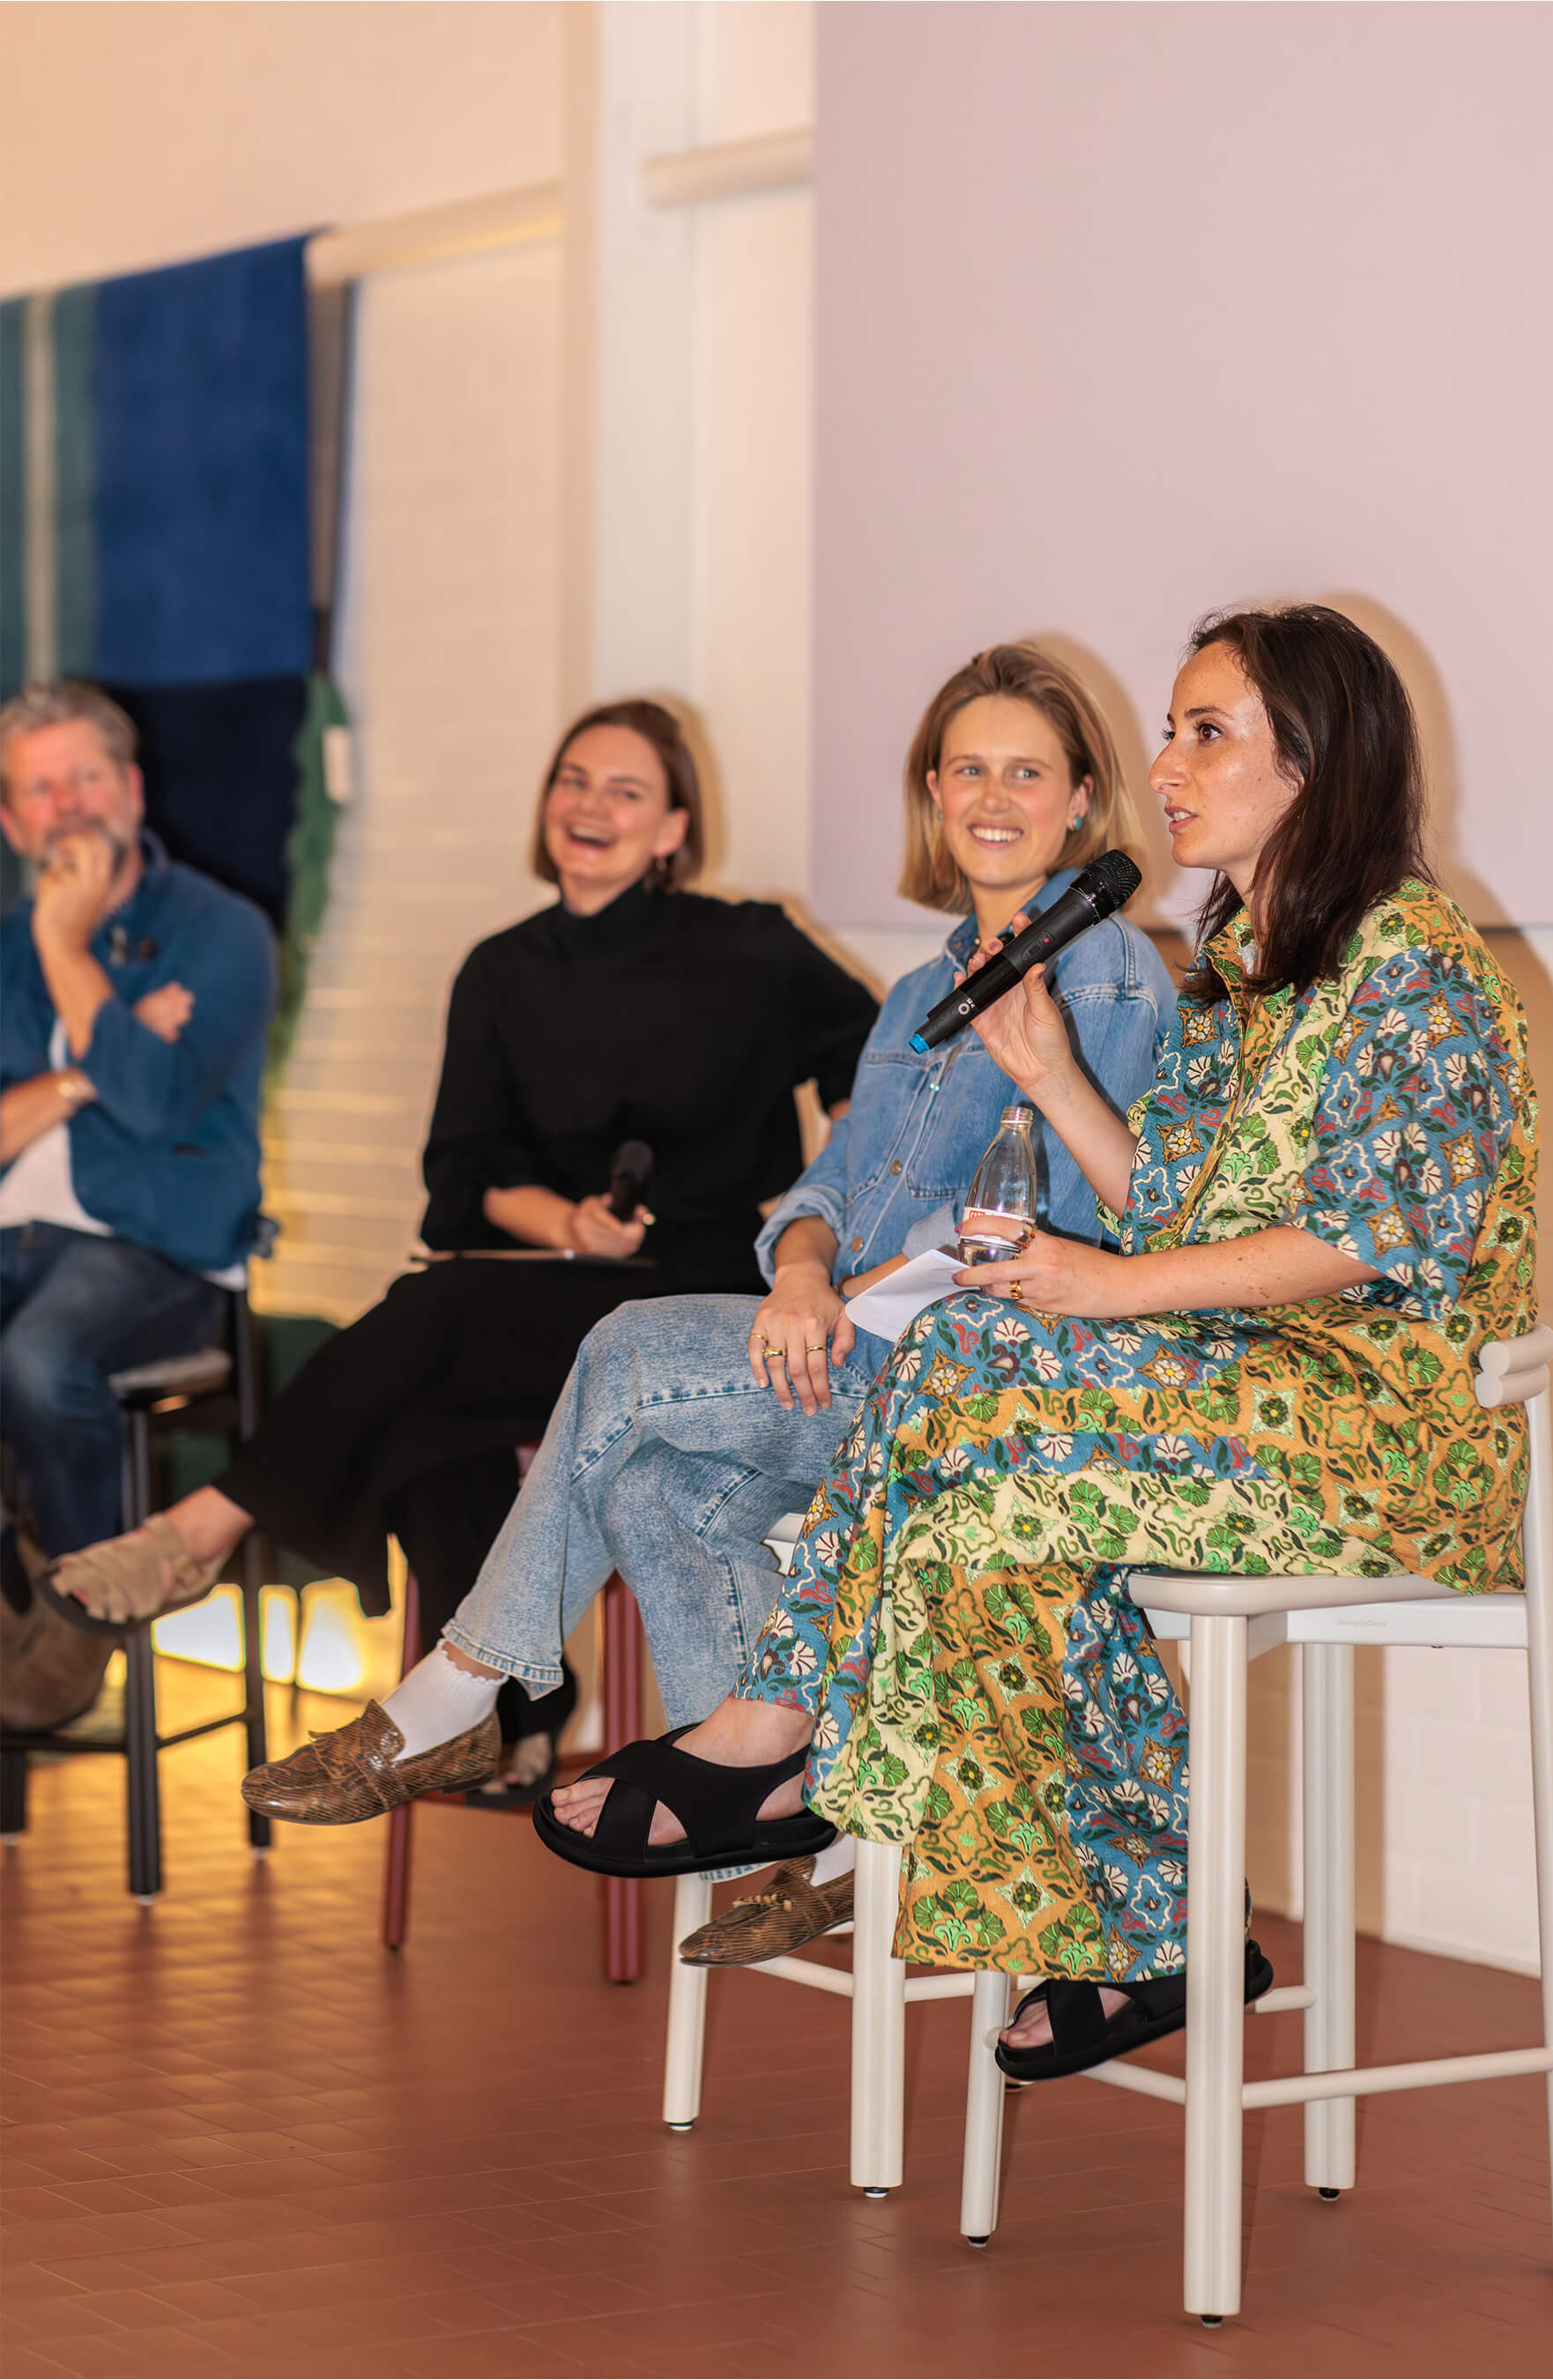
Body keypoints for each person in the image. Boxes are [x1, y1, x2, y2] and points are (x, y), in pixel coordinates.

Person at [535, 604, 1537, 2072]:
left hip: (1385, 1435)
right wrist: (1058, 1081)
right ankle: (1152, 1936)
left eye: (1206, 732)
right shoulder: (1248, 955)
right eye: (1172, 729)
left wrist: (1109, 1288)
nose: (1167, 762)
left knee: (973, 1398)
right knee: (981, 1469)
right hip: (1247, 1398)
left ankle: (784, 1727)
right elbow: (1180, 1203)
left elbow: (1366, 1236)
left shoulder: (1418, 965)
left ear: (1314, 767)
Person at [239, 641, 1178, 1961]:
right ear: (931, 788)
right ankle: (797, 1828)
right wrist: (802, 1268)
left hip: (976, 1394)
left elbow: (1067, 1225)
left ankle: (462, 1689)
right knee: (648, 1487)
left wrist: (847, 1291)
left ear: (1083, 800)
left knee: (624, 1341)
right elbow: (833, 1177)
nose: (994, 795)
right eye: (969, 766)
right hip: (854, 1355)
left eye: (1029, 771)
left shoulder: (1112, 973)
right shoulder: (920, 991)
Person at [35, 696, 879, 1796]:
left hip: (697, 1295)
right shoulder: (498, 970)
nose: (589, 807)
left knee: (422, 1335)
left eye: (626, 791)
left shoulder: (753, 948)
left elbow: (885, 1070)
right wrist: (566, 1223)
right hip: (546, 1288)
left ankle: (207, 1535)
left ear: (673, 827)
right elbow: (460, 1179)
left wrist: (839, 1208)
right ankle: (501, 1715)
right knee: (430, 1419)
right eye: (573, 780)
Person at [0, 681, 274, 1730]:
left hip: (155, 1250)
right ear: (14, 819)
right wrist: (88, 1066)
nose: (65, 805)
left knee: (36, 1356)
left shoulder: (221, 931)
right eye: (40, 788)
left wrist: (68, 948)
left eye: (84, 777)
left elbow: (157, 1104)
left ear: (130, 789)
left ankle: (83, 1603)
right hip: (17, 1239)